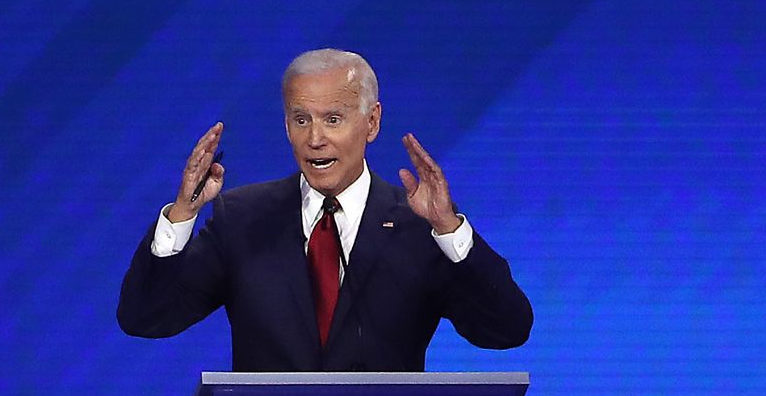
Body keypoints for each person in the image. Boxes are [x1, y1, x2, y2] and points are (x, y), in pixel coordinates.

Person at [117, 49, 532, 370]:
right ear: (286, 126)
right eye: (301, 120)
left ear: (371, 123)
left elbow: (506, 330)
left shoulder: (419, 226)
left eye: (333, 119)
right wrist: (180, 217)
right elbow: (145, 319)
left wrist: (450, 230)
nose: (315, 138)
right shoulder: (243, 219)